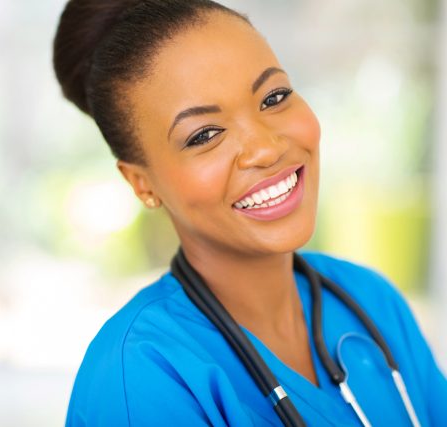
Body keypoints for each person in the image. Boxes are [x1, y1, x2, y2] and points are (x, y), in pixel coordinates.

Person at [52, 0, 447, 425]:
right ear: (141, 183)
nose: (266, 147)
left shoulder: (369, 301)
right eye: (204, 134)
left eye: (274, 97)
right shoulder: (140, 376)